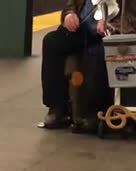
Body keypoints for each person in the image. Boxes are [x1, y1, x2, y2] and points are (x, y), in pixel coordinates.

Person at [41, 0, 119, 129]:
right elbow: (71, 5)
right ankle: (58, 108)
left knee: (102, 51)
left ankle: (94, 113)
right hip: (81, 31)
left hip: (110, 33)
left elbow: (131, 16)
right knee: (51, 42)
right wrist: (69, 14)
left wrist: (113, 25)